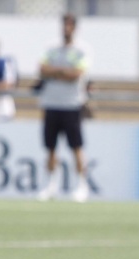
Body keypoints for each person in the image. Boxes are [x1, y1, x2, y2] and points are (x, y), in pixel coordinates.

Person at [36, 14, 91, 203]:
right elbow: (42, 68)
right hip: (51, 103)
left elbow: (77, 74)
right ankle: (51, 186)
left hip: (71, 104)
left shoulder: (81, 49)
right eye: (64, 25)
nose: (66, 29)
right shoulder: (51, 47)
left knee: (76, 147)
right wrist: (62, 71)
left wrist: (56, 71)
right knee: (50, 147)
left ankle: (82, 185)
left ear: (74, 28)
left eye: (69, 26)